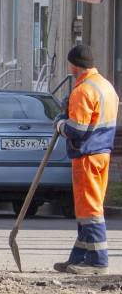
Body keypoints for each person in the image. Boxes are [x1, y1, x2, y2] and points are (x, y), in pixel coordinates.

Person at [56, 43, 116, 273]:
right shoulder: (105, 86)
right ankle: (78, 257)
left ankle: (98, 262)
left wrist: (60, 122)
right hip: (102, 153)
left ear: (73, 65)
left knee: (89, 210)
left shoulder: (82, 91)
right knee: (87, 207)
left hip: (87, 156)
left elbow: (77, 130)